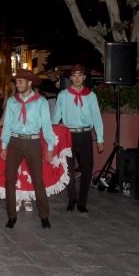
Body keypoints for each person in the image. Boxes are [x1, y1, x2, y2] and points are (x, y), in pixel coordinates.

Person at [1, 69, 55, 229]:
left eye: (20, 82)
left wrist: (50, 147)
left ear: (29, 83)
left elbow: (46, 125)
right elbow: (8, 124)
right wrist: (4, 145)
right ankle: (11, 216)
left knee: (38, 180)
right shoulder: (12, 101)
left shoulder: (41, 102)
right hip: (15, 142)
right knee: (9, 179)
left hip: (33, 142)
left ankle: (44, 216)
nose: (17, 85)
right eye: (16, 82)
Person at [52, 64, 104, 213]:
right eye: (74, 75)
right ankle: (72, 198)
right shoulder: (63, 95)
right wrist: (51, 136)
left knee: (87, 169)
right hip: (68, 134)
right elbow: (56, 116)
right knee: (69, 169)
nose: (77, 78)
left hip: (85, 134)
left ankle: (82, 202)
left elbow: (97, 117)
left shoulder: (91, 96)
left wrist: (100, 138)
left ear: (84, 77)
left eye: (80, 75)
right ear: (70, 78)